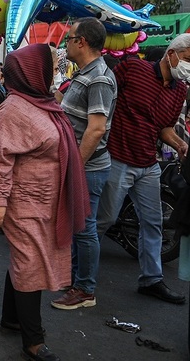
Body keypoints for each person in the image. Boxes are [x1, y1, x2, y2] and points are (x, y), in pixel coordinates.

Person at [0, 43, 89, 361]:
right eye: (50, 66)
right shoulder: (13, 109)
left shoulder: (41, 102)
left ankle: (12, 318)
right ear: (34, 72)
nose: (55, 71)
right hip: (23, 201)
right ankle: (34, 340)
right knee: (29, 262)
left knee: (23, 258)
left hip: (44, 201)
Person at [96, 34, 190, 305]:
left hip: (148, 165)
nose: (187, 67)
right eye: (186, 59)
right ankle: (76, 268)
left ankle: (151, 279)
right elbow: (105, 97)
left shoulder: (179, 90)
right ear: (171, 54)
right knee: (105, 219)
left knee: (153, 224)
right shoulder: (133, 68)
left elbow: (164, 128)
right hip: (119, 158)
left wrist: (180, 144)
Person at [51, 18, 117, 311]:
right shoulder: (84, 73)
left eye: (70, 37)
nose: (66, 42)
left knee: (85, 229)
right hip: (80, 164)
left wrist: (75, 165)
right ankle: (76, 279)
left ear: (83, 42)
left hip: (88, 168)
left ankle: (85, 289)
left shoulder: (99, 77)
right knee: (79, 226)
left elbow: (96, 129)